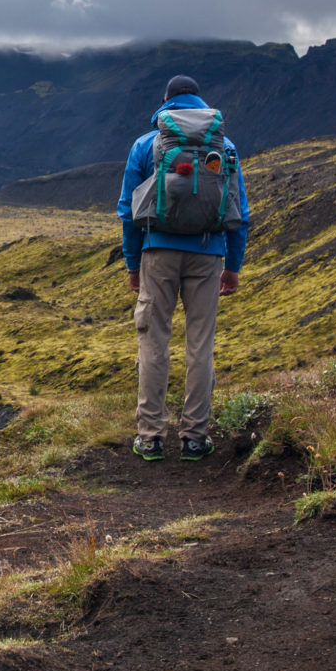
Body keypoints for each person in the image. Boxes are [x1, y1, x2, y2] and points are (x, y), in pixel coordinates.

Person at [116, 75, 250, 461]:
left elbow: (128, 211)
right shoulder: (225, 146)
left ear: (165, 101)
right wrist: (233, 265)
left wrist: (133, 263)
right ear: (198, 101)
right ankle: (194, 438)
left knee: (153, 341)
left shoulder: (147, 144)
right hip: (209, 254)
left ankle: (151, 436)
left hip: (157, 253)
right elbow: (239, 211)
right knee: (200, 345)